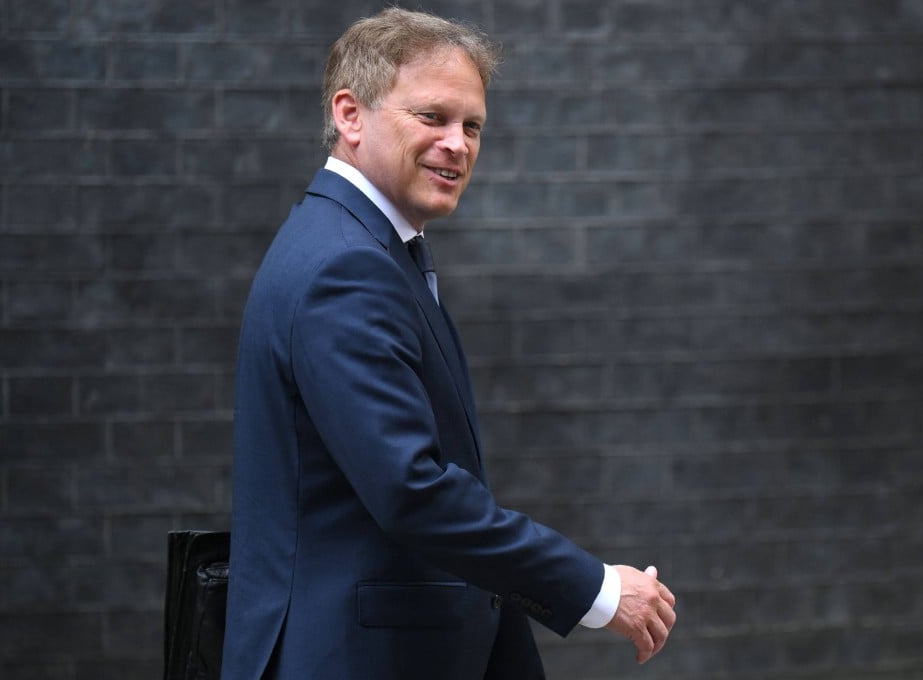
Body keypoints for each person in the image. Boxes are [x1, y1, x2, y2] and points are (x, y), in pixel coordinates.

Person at [222, 8, 676, 679]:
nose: (457, 144)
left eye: (473, 126)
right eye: (432, 117)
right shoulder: (346, 267)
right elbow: (413, 490)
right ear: (350, 115)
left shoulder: (363, 248)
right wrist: (598, 591)